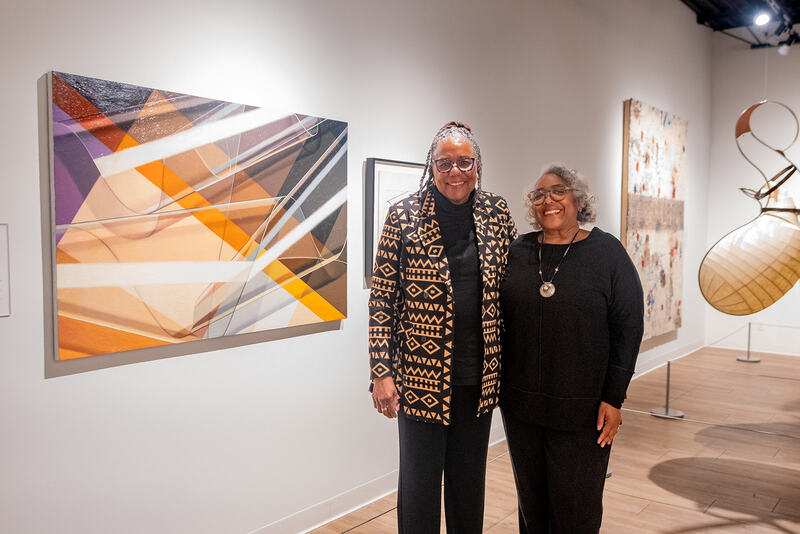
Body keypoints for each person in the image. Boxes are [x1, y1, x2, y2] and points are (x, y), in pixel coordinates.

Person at [368, 121, 517, 534]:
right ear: (431, 166)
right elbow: (382, 300)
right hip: (420, 379)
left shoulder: (497, 213)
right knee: (419, 489)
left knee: (468, 487)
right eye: (444, 163)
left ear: (478, 164)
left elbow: (513, 286)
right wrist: (381, 371)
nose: (455, 172)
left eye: (464, 162)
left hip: (477, 379)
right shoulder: (403, 215)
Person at [500, 164, 644, 533]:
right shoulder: (517, 251)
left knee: (576, 510)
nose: (547, 200)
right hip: (522, 407)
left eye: (558, 191)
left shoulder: (606, 252)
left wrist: (614, 397)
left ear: (578, 200)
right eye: (539, 194)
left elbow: (629, 327)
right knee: (532, 508)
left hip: (583, 411)